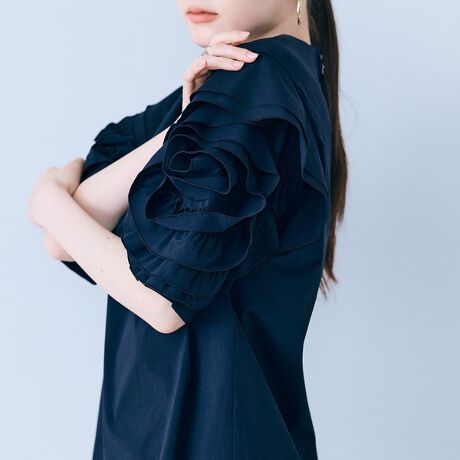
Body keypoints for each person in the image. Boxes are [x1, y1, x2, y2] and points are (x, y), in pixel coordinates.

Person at [28, 0, 348, 458]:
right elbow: (64, 239)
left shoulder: (255, 85)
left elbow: (163, 302)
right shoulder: (249, 84)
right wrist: (176, 130)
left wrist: (46, 199)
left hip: (197, 437)